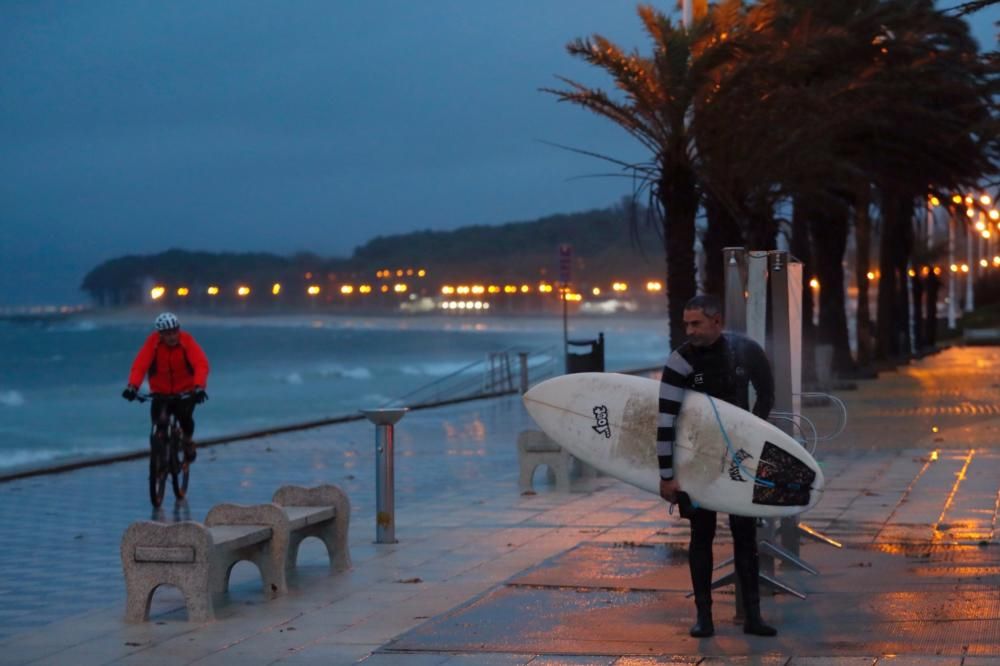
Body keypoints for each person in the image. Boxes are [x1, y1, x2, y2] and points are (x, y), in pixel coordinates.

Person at [657, 294, 777, 638]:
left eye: (696, 323)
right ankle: (704, 617)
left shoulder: (745, 351)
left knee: (745, 536)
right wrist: (667, 475)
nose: (689, 330)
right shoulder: (680, 361)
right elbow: (665, 421)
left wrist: (752, 434)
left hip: (740, 462)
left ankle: (753, 617)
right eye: (686, 324)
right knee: (701, 536)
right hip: (696, 463)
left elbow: (767, 394)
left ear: (716, 321)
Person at [122, 312, 210, 464]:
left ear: (179, 330)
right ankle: (159, 459)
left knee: (185, 420)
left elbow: (200, 364)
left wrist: (199, 387)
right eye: (167, 334)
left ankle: (188, 442)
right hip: (160, 393)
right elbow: (140, 365)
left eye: (175, 332)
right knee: (159, 422)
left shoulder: (187, 341)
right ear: (160, 334)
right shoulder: (153, 343)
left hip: (186, 392)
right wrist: (132, 386)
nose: (172, 337)